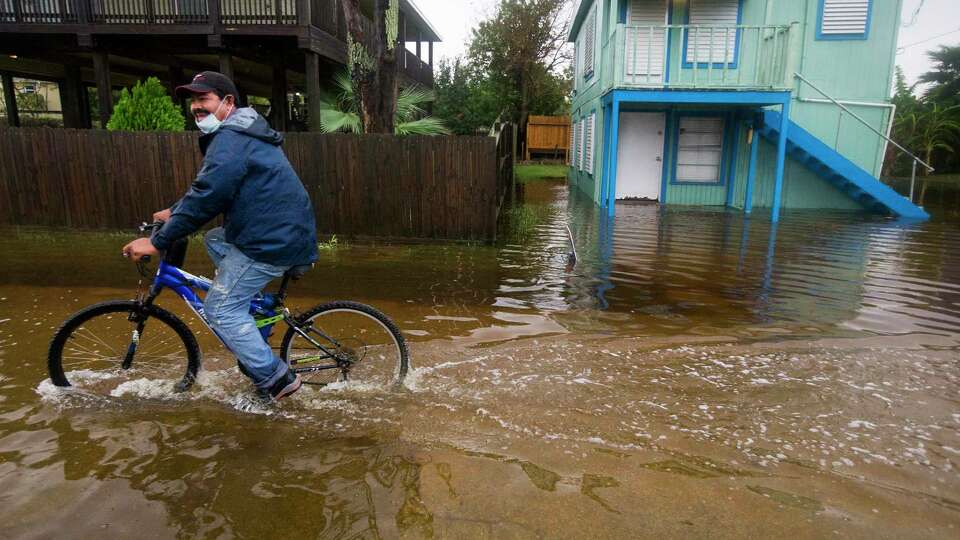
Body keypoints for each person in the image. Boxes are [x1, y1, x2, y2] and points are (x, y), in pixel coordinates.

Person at [122, 71, 318, 403]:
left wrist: (157, 242)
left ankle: (276, 379)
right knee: (215, 238)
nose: (197, 107)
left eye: (204, 99)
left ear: (228, 102)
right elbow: (212, 189)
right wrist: (175, 211)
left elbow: (208, 194)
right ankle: (253, 312)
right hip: (276, 231)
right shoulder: (241, 132)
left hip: (270, 240)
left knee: (220, 308)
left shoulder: (233, 137)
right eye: (194, 101)